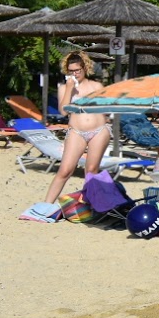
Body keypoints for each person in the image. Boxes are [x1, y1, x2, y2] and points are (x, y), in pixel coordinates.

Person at [44, 51, 109, 204]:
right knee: (65, 170)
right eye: (71, 71)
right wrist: (69, 89)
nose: (74, 74)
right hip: (76, 131)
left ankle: (90, 204)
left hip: (98, 130)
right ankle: (46, 204)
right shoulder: (64, 88)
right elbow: (63, 111)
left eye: (77, 70)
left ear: (84, 68)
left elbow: (105, 109)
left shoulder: (96, 85)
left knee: (91, 169)